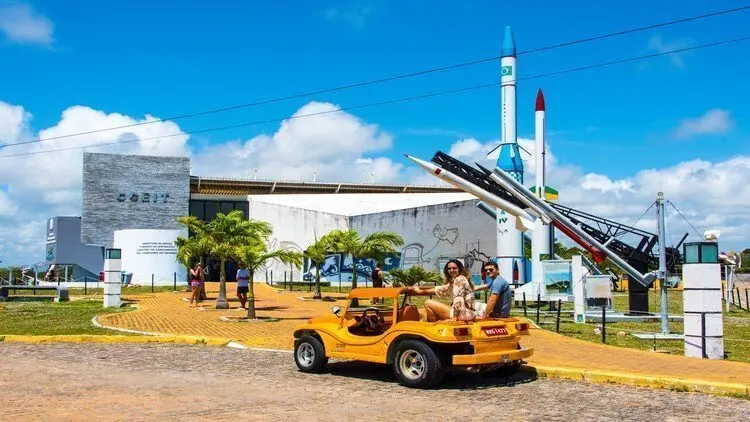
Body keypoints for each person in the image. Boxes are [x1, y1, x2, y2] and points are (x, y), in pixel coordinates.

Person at [411, 259, 475, 322]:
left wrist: (455, 318)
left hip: (462, 315)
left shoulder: (458, 280)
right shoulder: (461, 279)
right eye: (449, 268)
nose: (451, 270)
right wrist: (421, 291)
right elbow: (441, 289)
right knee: (427, 311)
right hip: (468, 314)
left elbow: (458, 299)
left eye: (454, 268)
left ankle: (434, 327)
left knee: (427, 302)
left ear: (460, 269)